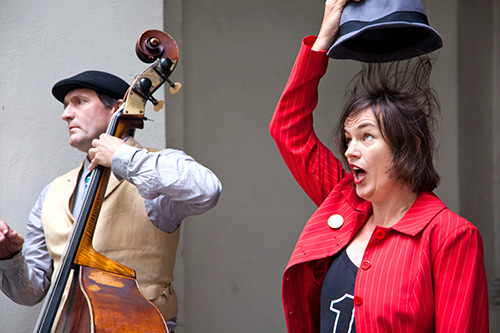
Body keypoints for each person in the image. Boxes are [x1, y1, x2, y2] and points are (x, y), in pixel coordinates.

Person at [269, 0, 489, 332]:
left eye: (367, 137)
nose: (350, 151)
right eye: (347, 139)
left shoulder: (449, 236)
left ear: (408, 148)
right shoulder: (343, 201)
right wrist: (326, 33)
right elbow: (288, 130)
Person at [0, 70, 222, 331]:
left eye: (79, 102)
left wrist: (122, 157)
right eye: (65, 106)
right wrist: (10, 258)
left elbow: (207, 189)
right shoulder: (52, 192)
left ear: (117, 108)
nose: (66, 114)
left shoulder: (154, 169)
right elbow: (32, 292)